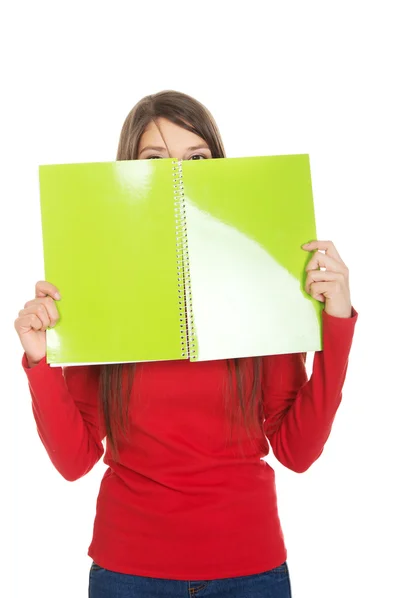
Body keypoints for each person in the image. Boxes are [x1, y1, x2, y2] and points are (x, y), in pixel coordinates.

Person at [15, 90, 358, 598]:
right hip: (127, 571)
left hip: (251, 568)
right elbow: (74, 461)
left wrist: (336, 323)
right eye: (154, 160)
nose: (177, 175)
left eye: (196, 159)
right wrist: (40, 360)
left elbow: (298, 450)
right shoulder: (99, 289)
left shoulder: (261, 288)